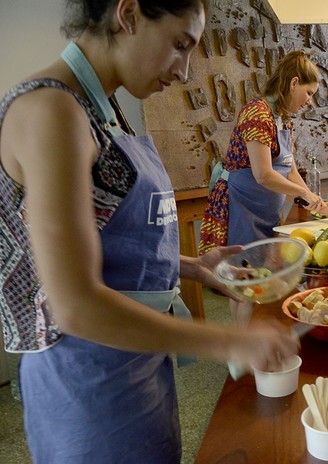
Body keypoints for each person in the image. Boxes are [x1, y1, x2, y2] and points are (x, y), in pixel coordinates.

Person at [0, 1, 298, 462]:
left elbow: (99, 244)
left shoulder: (106, 107)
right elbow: (75, 304)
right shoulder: (50, 109)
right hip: (87, 382)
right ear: (130, 14)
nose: (183, 71)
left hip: (139, 359)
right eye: (180, 45)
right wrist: (231, 340)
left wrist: (193, 268)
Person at [199, 50, 328, 254]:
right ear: (294, 83)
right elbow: (263, 175)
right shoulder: (257, 114)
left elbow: (291, 171)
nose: (309, 102)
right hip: (239, 209)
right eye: (309, 93)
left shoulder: (283, 120)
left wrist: (313, 200)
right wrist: (304, 193)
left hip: (264, 212)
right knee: (241, 273)